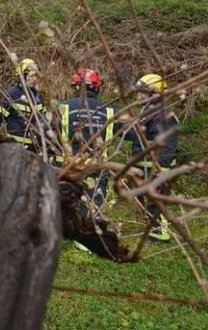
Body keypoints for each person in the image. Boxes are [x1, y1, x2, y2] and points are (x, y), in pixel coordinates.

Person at [125, 73, 179, 243]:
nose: (138, 95)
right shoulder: (151, 111)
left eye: (143, 92)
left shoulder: (160, 114)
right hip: (147, 163)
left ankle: (160, 233)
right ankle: (152, 228)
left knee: (154, 198)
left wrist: (159, 167)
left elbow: (167, 144)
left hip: (156, 164)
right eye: (138, 91)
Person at [57, 67, 116, 210]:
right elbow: (132, 133)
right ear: (96, 88)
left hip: (70, 166)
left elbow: (47, 133)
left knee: (68, 205)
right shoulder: (109, 110)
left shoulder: (62, 107)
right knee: (93, 207)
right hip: (98, 167)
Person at [0, 58, 47, 152]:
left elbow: (45, 121)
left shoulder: (38, 97)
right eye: (32, 75)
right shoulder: (12, 94)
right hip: (14, 148)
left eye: (36, 76)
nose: (35, 79)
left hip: (34, 150)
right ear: (23, 76)